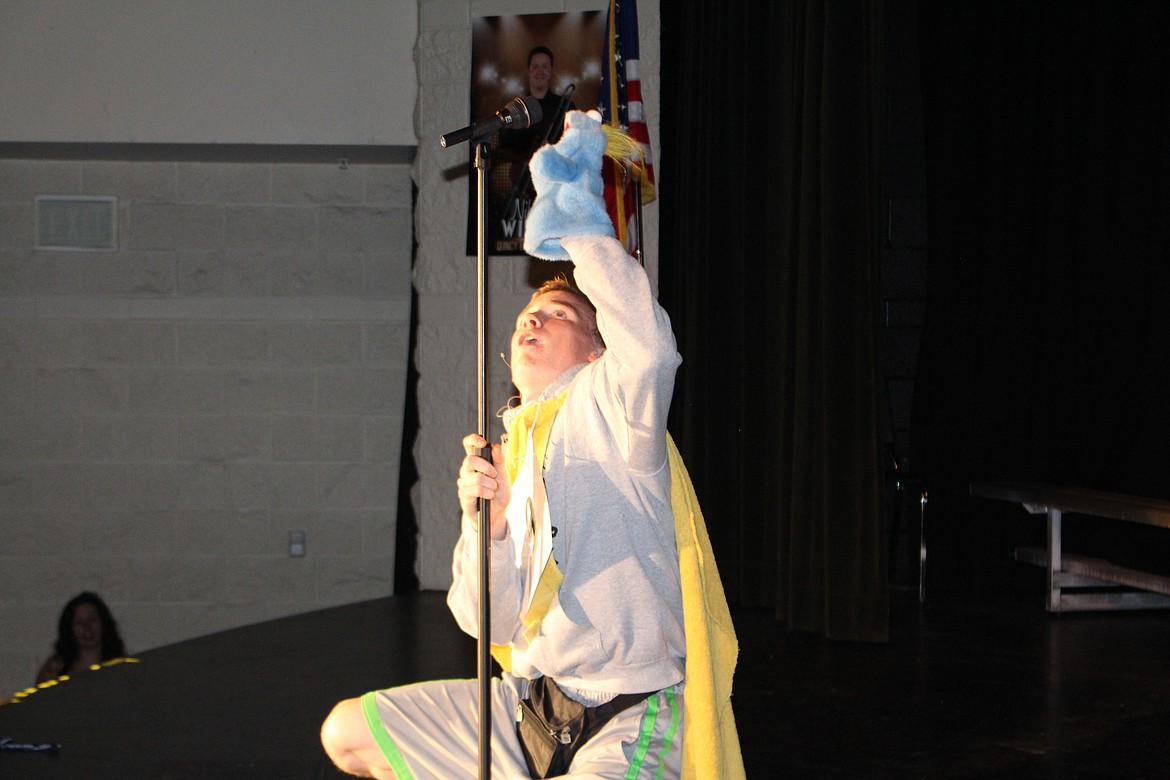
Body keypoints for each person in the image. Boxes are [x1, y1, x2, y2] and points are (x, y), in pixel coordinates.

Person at [322, 113, 691, 779]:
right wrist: (484, 529)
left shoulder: (612, 406)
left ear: (598, 346)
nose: (538, 319)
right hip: (534, 708)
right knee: (349, 731)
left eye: (561, 315)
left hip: (627, 711)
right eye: (529, 316)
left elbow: (652, 348)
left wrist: (581, 226)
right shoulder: (510, 450)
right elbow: (479, 620)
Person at [35, 591, 127, 684]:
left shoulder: (121, 667)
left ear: (103, 624)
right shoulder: (54, 669)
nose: (87, 627)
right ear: (70, 629)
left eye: (93, 619)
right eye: (79, 622)